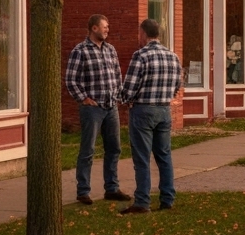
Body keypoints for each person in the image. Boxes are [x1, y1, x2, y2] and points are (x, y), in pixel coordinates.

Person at [116, 19, 183, 214]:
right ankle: (167, 199)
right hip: (164, 110)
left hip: (143, 110)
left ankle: (142, 201)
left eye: (139, 33)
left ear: (144, 33)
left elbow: (129, 87)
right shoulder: (173, 56)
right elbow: (178, 85)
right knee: (164, 156)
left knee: (142, 158)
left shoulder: (141, 55)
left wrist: (125, 98)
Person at [64, 14, 131, 206]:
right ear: (94, 28)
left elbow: (118, 76)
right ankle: (83, 191)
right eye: (105, 27)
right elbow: (71, 79)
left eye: (108, 27)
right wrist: (83, 98)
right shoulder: (81, 51)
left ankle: (112, 188)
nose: (107, 30)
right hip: (92, 109)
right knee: (88, 150)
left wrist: (119, 96)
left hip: (111, 107)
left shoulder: (110, 50)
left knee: (114, 148)